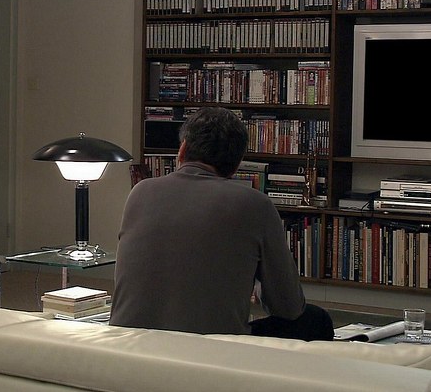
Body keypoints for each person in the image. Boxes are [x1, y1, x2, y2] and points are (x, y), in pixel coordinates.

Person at [109, 107, 333, 341]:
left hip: (126, 345)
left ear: (182, 149)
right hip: (210, 349)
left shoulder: (140, 192)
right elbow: (288, 307)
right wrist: (257, 283)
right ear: (237, 165)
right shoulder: (255, 204)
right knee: (316, 320)